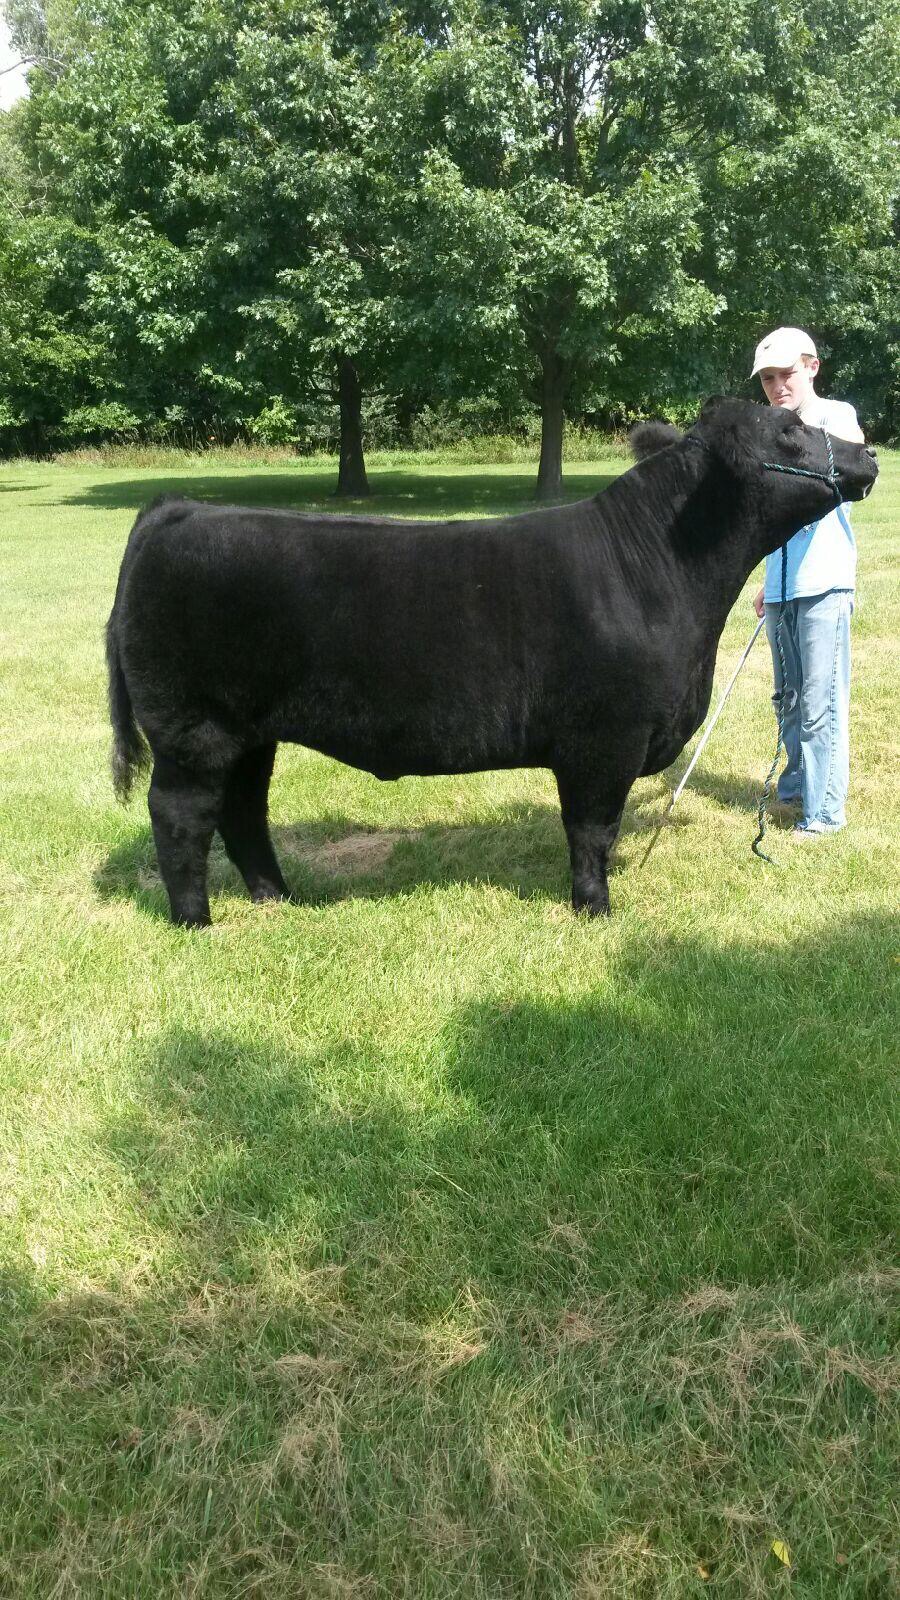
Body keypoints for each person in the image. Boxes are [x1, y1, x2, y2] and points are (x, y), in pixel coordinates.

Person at [750, 326, 865, 837]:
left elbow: (853, 467)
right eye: (768, 379)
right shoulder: (770, 430)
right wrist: (765, 579)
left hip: (824, 581)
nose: (778, 387)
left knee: (821, 702)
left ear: (812, 367)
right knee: (788, 698)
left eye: (787, 374)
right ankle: (795, 787)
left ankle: (823, 814)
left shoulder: (833, 417)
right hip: (779, 586)